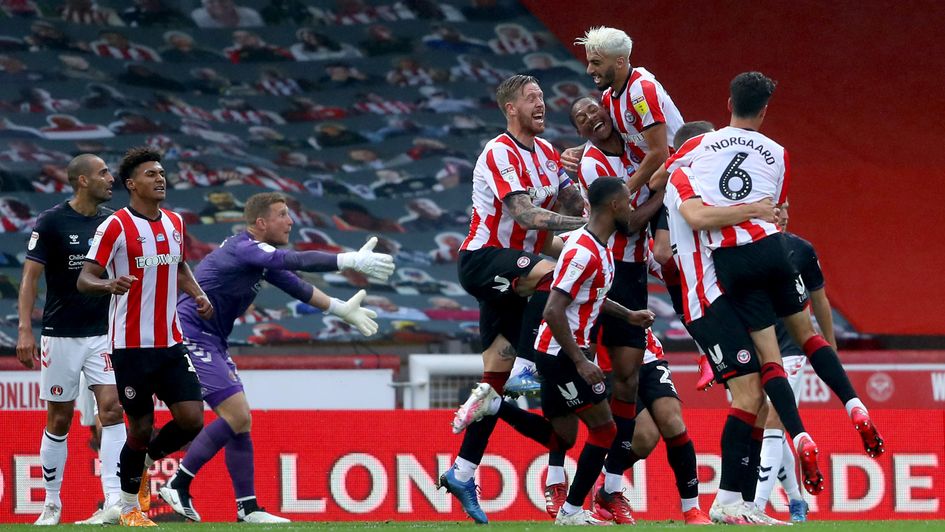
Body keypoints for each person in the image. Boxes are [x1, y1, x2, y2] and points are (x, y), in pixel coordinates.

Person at [664, 73, 884, 463]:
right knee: (809, 336)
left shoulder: (700, 145)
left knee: (770, 358)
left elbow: (671, 176)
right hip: (773, 248)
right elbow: (775, 209)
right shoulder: (779, 152)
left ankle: (798, 435)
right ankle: (855, 405)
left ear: (729, 104)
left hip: (732, 260)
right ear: (764, 111)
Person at [158, 192, 391, 523]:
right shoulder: (245, 248)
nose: (291, 221)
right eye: (283, 214)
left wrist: (342, 310)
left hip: (212, 339)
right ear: (261, 223)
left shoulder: (258, 258)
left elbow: (296, 285)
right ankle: (178, 484)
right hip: (192, 333)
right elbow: (294, 261)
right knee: (237, 416)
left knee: (242, 423)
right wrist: (348, 260)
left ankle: (248, 508)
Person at [437, 74, 586, 524]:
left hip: (515, 274)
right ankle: (527, 367)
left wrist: (585, 169)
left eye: (543, 96)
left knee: (492, 385)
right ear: (510, 109)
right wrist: (581, 228)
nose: (541, 103)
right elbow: (524, 213)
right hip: (484, 260)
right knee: (554, 277)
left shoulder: (545, 153)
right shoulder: (499, 151)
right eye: (531, 98)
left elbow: (574, 201)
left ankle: (462, 471)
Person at [567, 96, 711, 524]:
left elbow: (661, 155)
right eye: (580, 119)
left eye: (593, 110)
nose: (591, 118)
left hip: (637, 281)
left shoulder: (638, 145)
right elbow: (627, 221)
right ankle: (599, 491)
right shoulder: (592, 164)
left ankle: (692, 511)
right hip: (614, 284)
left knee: (671, 419)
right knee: (643, 436)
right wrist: (663, 188)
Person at [664, 121, 815, 524]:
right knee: (749, 394)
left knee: (755, 396)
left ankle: (744, 503)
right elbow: (696, 218)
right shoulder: (682, 178)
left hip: (722, 298)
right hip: (706, 301)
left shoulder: (705, 182)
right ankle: (729, 500)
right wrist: (757, 208)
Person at [77, 147, 213, 527]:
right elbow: (84, 277)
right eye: (151, 174)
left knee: (192, 419)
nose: (160, 178)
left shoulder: (174, 222)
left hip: (169, 341)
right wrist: (108, 284)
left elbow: (180, 265)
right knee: (137, 426)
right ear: (132, 184)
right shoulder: (116, 226)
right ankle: (127, 505)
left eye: (162, 173)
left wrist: (198, 294)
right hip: (130, 346)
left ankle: (143, 464)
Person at [17, 154, 126, 525]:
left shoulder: (113, 222)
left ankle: (114, 500)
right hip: (60, 334)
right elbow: (30, 278)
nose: (111, 179)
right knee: (59, 418)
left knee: (111, 409)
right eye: (103, 173)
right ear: (82, 180)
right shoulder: (51, 221)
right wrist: (24, 329)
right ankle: (51, 503)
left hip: (104, 333)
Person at [534, 176, 641, 525]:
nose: (630, 209)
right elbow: (552, 309)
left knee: (580, 432)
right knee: (601, 430)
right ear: (613, 206)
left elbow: (591, 297)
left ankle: (572, 509)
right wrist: (580, 362)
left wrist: (629, 314)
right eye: (627, 202)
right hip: (560, 356)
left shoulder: (600, 248)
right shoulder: (581, 251)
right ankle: (571, 511)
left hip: (569, 354)